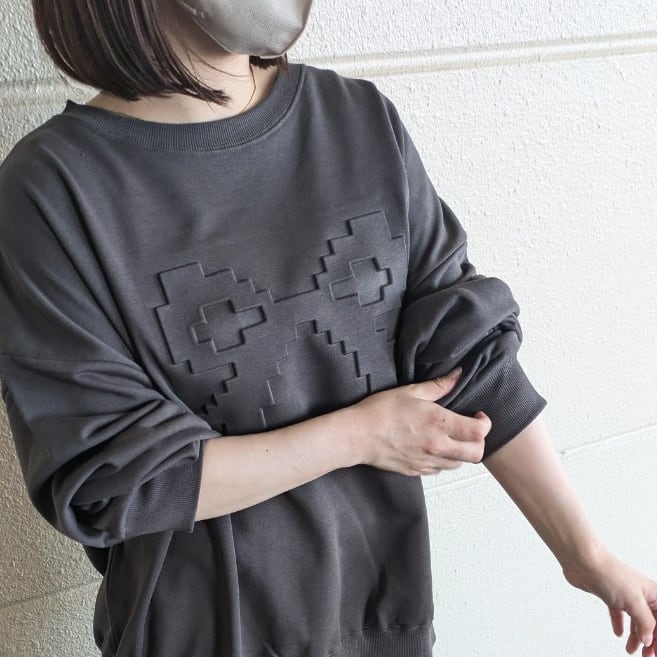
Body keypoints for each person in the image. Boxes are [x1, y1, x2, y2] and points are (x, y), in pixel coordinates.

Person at [0, 1, 654, 656]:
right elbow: (113, 479)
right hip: (203, 633)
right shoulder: (51, 193)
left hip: (383, 618)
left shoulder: (356, 121)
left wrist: (587, 556)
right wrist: (361, 435)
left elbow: (468, 353)